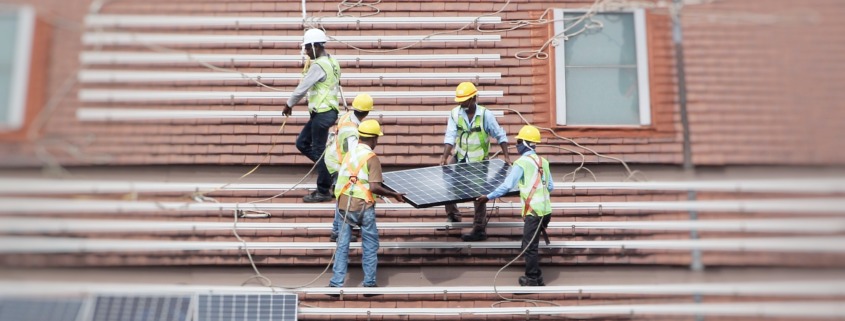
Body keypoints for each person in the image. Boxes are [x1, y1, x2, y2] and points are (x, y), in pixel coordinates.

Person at [329, 120, 405, 291]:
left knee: (342, 247)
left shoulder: (349, 154)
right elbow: (375, 187)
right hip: (364, 206)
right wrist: (394, 195)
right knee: (370, 245)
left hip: (344, 205)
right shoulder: (372, 157)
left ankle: (336, 283)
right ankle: (369, 283)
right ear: (374, 139)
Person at [477, 125, 553, 287]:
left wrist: (488, 197)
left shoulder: (522, 163)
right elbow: (551, 186)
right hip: (546, 211)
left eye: (518, 141)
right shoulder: (543, 162)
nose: (516, 144)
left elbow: (507, 185)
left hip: (534, 212)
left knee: (529, 246)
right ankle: (537, 276)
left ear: (525, 143)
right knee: (530, 243)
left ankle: (532, 278)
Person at [438, 81, 511, 242]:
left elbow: (500, 135)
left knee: (479, 194)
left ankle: (479, 229)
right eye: (460, 101)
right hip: (461, 155)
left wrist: (506, 156)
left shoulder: (485, 115)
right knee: (447, 180)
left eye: (464, 101)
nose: (461, 103)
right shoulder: (455, 113)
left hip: (479, 161)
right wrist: (444, 157)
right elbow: (450, 136)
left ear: (473, 99)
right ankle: (453, 215)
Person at [284, 28, 341, 203]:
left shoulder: (318, 65)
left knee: (318, 151)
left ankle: (323, 190)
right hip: (325, 113)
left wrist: (289, 104)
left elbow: (303, 87)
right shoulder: (332, 61)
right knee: (302, 143)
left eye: (308, 48)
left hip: (323, 114)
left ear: (316, 46)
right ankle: (332, 174)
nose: (307, 52)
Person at [326, 93, 374, 242]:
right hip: (338, 163)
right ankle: (337, 230)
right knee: (342, 194)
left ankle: (337, 229)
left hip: (334, 157)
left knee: (342, 193)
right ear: (367, 112)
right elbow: (355, 155)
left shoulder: (347, 116)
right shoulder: (352, 132)